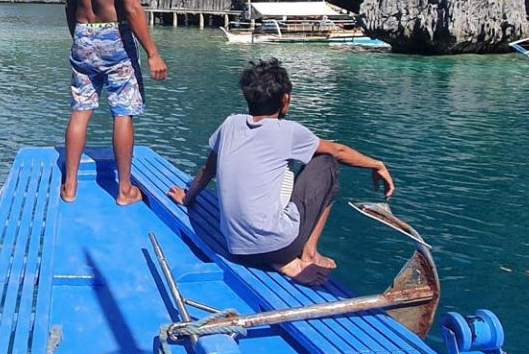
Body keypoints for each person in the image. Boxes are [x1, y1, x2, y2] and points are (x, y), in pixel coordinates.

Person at [166, 57, 393, 285]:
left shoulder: (230, 124)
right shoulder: (289, 131)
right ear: (285, 100)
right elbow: (339, 150)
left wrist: (187, 198)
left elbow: (208, 169)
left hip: (236, 246)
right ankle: (308, 254)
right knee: (327, 162)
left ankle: (280, 256)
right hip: (278, 247)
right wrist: (377, 164)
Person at [60, 0, 169, 204]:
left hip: (83, 34)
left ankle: (69, 186)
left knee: (80, 110)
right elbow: (133, 8)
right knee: (123, 112)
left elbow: (69, 4)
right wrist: (152, 52)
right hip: (115, 38)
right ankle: (123, 190)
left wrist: (80, 38)